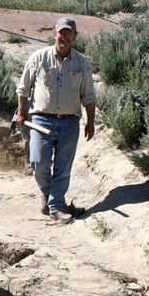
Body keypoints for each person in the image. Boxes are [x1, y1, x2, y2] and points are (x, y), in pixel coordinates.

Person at [16, 16, 96, 225]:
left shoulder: (82, 63)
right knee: (38, 161)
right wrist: (22, 111)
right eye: (62, 32)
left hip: (70, 122)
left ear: (75, 37)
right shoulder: (39, 57)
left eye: (69, 33)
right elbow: (23, 88)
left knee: (63, 166)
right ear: (55, 34)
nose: (65, 36)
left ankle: (56, 206)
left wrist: (90, 122)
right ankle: (46, 191)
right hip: (42, 119)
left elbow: (88, 96)